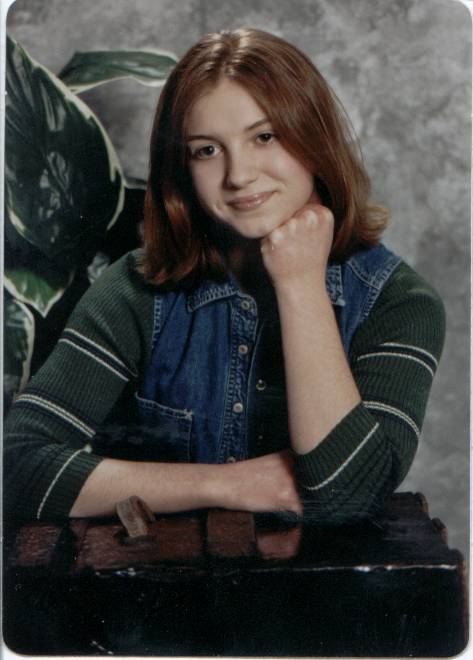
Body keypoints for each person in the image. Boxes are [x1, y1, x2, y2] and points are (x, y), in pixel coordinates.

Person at [4, 28, 445, 526]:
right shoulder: (135, 291)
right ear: (182, 167)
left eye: (264, 137)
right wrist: (231, 484)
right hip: (161, 577)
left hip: (333, 581)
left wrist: (300, 284)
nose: (238, 175)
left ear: (314, 140)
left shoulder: (399, 302)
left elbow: (348, 497)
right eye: (207, 150)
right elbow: (15, 469)